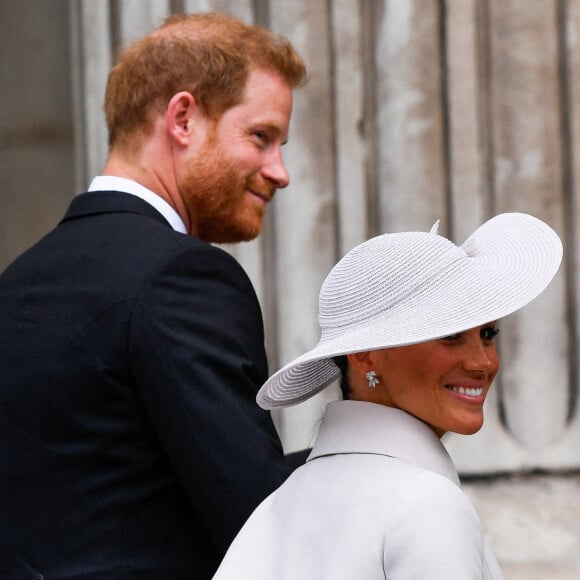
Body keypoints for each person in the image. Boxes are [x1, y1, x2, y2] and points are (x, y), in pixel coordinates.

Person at [0, 12, 307, 580]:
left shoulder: (16, 282)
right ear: (183, 119)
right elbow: (258, 522)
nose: (280, 171)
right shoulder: (183, 277)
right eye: (261, 137)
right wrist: (371, 447)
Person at [213, 212, 563, 580]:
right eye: (450, 335)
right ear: (364, 354)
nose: (482, 362)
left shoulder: (280, 503)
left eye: (488, 334)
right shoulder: (424, 502)